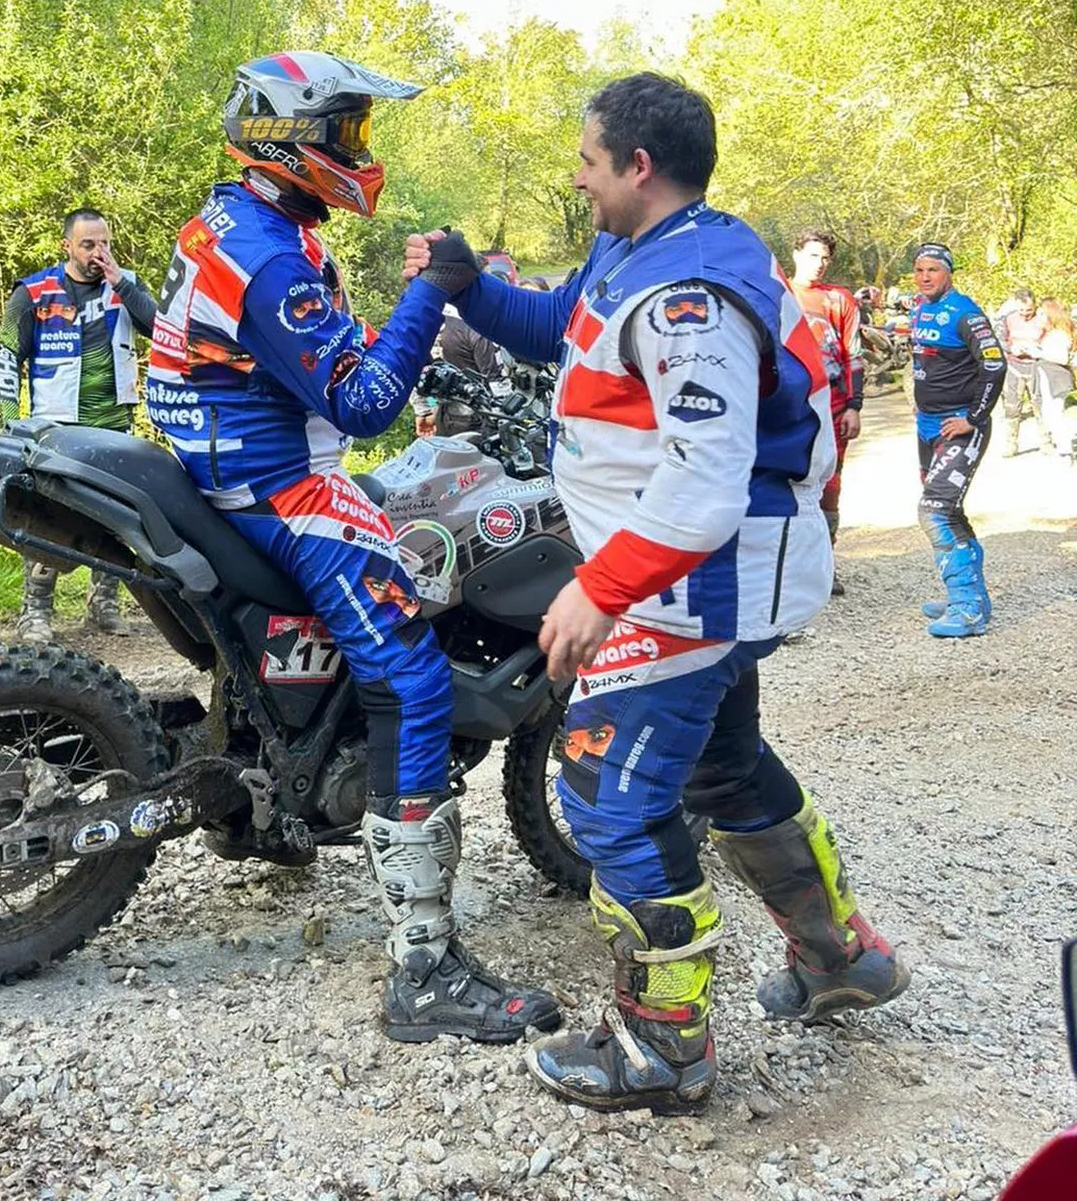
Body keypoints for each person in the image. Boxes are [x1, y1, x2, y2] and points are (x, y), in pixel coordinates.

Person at [408, 73, 907, 1113]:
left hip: (691, 582)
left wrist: (601, 587)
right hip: (685, 574)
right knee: (724, 769)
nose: (578, 176)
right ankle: (841, 958)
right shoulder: (641, 251)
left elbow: (706, 476)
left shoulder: (692, 300)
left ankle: (663, 1046)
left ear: (639, 167)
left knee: (610, 800)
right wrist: (464, 286)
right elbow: (558, 327)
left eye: (589, 159)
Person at [146, 51, 559, 1046]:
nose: (357, 151)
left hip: (219, 461)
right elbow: (365, 403)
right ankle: (425, 968)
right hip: (273, 482)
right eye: (348, 132)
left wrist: (413, 322)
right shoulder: (274, 255)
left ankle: (284, 805)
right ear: (293, 138)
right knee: (414, 682)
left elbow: (318, 353)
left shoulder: (238, 221)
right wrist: (436, 289)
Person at [0, 208, 158, 639]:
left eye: (104, 243)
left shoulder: (127, 286)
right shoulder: (34, 292)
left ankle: (104, 605)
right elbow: (8, 355)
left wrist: (120, 281)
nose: (98, 253)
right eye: (88, 245)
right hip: (56, 427)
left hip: (113, 422)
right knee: (49, 517)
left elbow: (162, 329)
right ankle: (36, 611)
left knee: (116, 518)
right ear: (67, 245)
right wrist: (12, 421)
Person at [909, 244, 1006, 638]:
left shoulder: (966, 311)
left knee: (934, 510)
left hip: (959, 425)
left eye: (933, 269)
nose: (925, 276)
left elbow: (994, 364)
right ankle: (972, 596)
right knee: (949, 509)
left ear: (948, 272)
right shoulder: (919, 308)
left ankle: (967, 609)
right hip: (927, 427)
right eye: (919, 269)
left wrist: (972, 417)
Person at [787, 229, 863, 591]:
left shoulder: (839, 299)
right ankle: (783, 568)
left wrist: (855, 405)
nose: (819, 264)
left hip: (832, 406)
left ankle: (825, 564)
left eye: (825, 258)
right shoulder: (776, 293)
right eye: (813, 255)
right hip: (787, 406)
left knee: (829, 486)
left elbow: (854, 353)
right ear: (797, 253)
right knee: (784, 481)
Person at [993, 287, 1050, 454]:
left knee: (1039, 404)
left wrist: (1039, 349)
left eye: (1029, 310)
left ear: (1035, 306)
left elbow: (1052, 338)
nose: (1025, 314)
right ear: (1016, 306)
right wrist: (1011, 348)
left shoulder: (1042, 319)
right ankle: (1011, 444)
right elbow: (999, 339)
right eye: (1022, 310)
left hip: (1037, 366)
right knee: (1012, 406)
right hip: (1014, 367)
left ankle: (1045, 442)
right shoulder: (1008, 319)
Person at [1035, 298, 1075, 460]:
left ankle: (1065, 450)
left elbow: (1062, 357)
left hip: (1057, 379)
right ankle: (1063, 447)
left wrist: (1039, 353)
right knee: (1050, 413)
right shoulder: (1050, 333)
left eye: (1042, 315)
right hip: (1048, 377)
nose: (1039, 319)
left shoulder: (1059, 334)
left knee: (1056, 414)